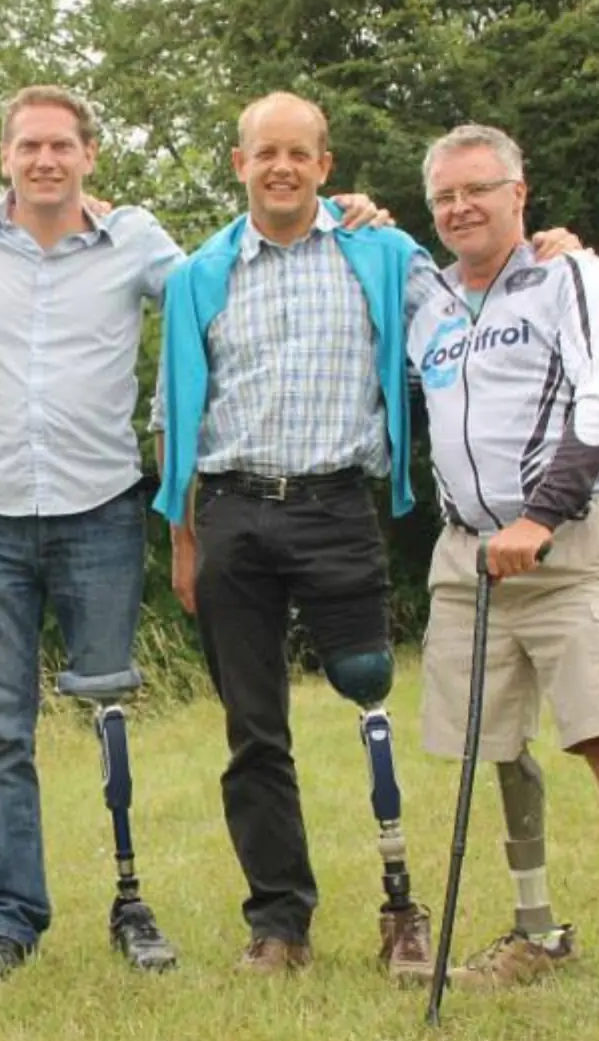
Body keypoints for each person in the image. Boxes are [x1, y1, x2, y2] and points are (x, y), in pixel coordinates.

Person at [0, 86, 393, 979]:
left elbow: (233, 279)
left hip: (98, 508)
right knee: (0, 728)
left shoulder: (141, 242)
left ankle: (133, 906)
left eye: (62, 145)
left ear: (91, 154)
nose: (45, 160)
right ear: (5, 156)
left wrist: (350, 219)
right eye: (28, 147)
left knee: (113, 712)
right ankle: (9, 920)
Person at [409, 123, 599, 1033]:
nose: (462, 208)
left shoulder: (573, 276)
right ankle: (536, 931)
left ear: (519, 192)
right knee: (489, 743)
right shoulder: (427, 302)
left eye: (479, 190)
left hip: (568, 547)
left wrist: (541, 517)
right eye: (445, 198)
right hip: (469, 558)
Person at [152, 92, 440, 980]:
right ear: (238, 164)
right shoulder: (199, 276)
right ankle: (280, 924)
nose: (280, 167)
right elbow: (174, 412)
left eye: (298, 154)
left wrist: (557, 255)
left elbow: (469, 310)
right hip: (234, 515)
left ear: (324, 164)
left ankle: (401, 910)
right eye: (263, 153)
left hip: (335, 508)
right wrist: (184, 538)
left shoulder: (382, 255)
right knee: (254, 728)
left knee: (370, 697)